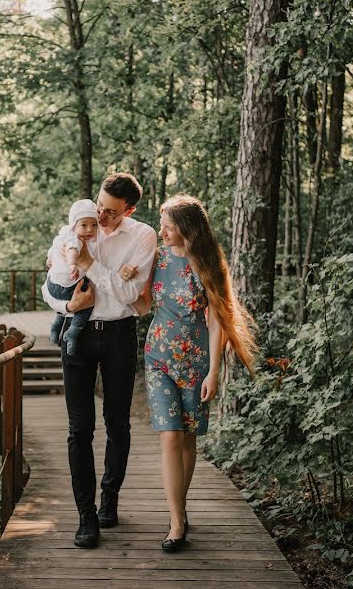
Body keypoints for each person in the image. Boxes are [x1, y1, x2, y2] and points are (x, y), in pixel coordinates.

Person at [131, 194, 257, 552]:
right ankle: (176, 521)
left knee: (188, 439)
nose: (162, 230)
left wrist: (214, 372)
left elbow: (217, 321)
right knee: (170, 436)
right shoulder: (156, 256)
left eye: (167, 225)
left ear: (185, 228)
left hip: (196, 361)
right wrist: (116, 282)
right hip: (157, 356)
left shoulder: (207, 262)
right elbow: (141, 303)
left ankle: (180, 510)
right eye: (162, 224)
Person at [41, 173, 157, 548]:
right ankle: (85, 516)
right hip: (80, 334)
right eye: (99, 205)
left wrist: (91, 263)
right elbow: (50, 285)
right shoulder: (76, 226)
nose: (100, 216)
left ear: (129, 210)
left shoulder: (143, 236)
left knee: (117, 423)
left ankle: (109, 499)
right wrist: (67, 305)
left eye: (109, 212)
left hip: (120, 337)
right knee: (80, 429)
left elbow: (129, 294)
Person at [46, 199, 99, 356]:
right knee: (88, 300)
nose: (89, 229)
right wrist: (72, 265)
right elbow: (72, 250)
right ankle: (72, 332)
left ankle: (57, 323)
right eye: (84, 225)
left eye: (94, 225)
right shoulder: (75, 239)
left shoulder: (60, 236)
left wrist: (50, 260)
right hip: (68, 287)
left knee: (73, 299)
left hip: (52, 284)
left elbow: (51, 254)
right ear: (74, 225)